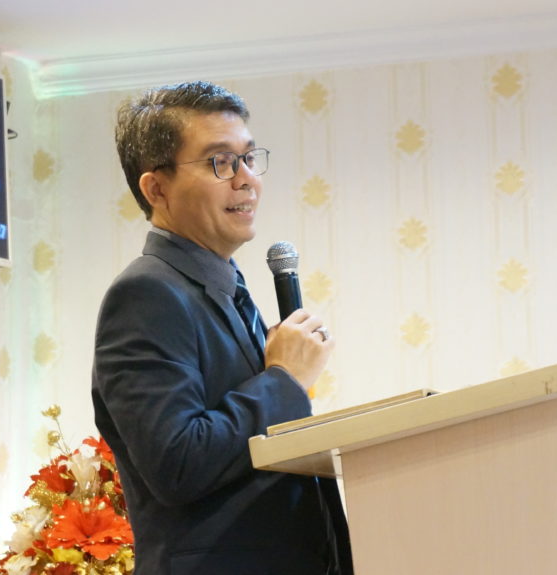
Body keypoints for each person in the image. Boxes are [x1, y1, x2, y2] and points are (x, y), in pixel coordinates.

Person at [91, 81, 353, 575]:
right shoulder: (146, 295)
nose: (247, 179)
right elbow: (177, 463)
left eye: (249, 158)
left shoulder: (226, 289)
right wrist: (283, 381)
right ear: (156, 188)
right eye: (221, 162)